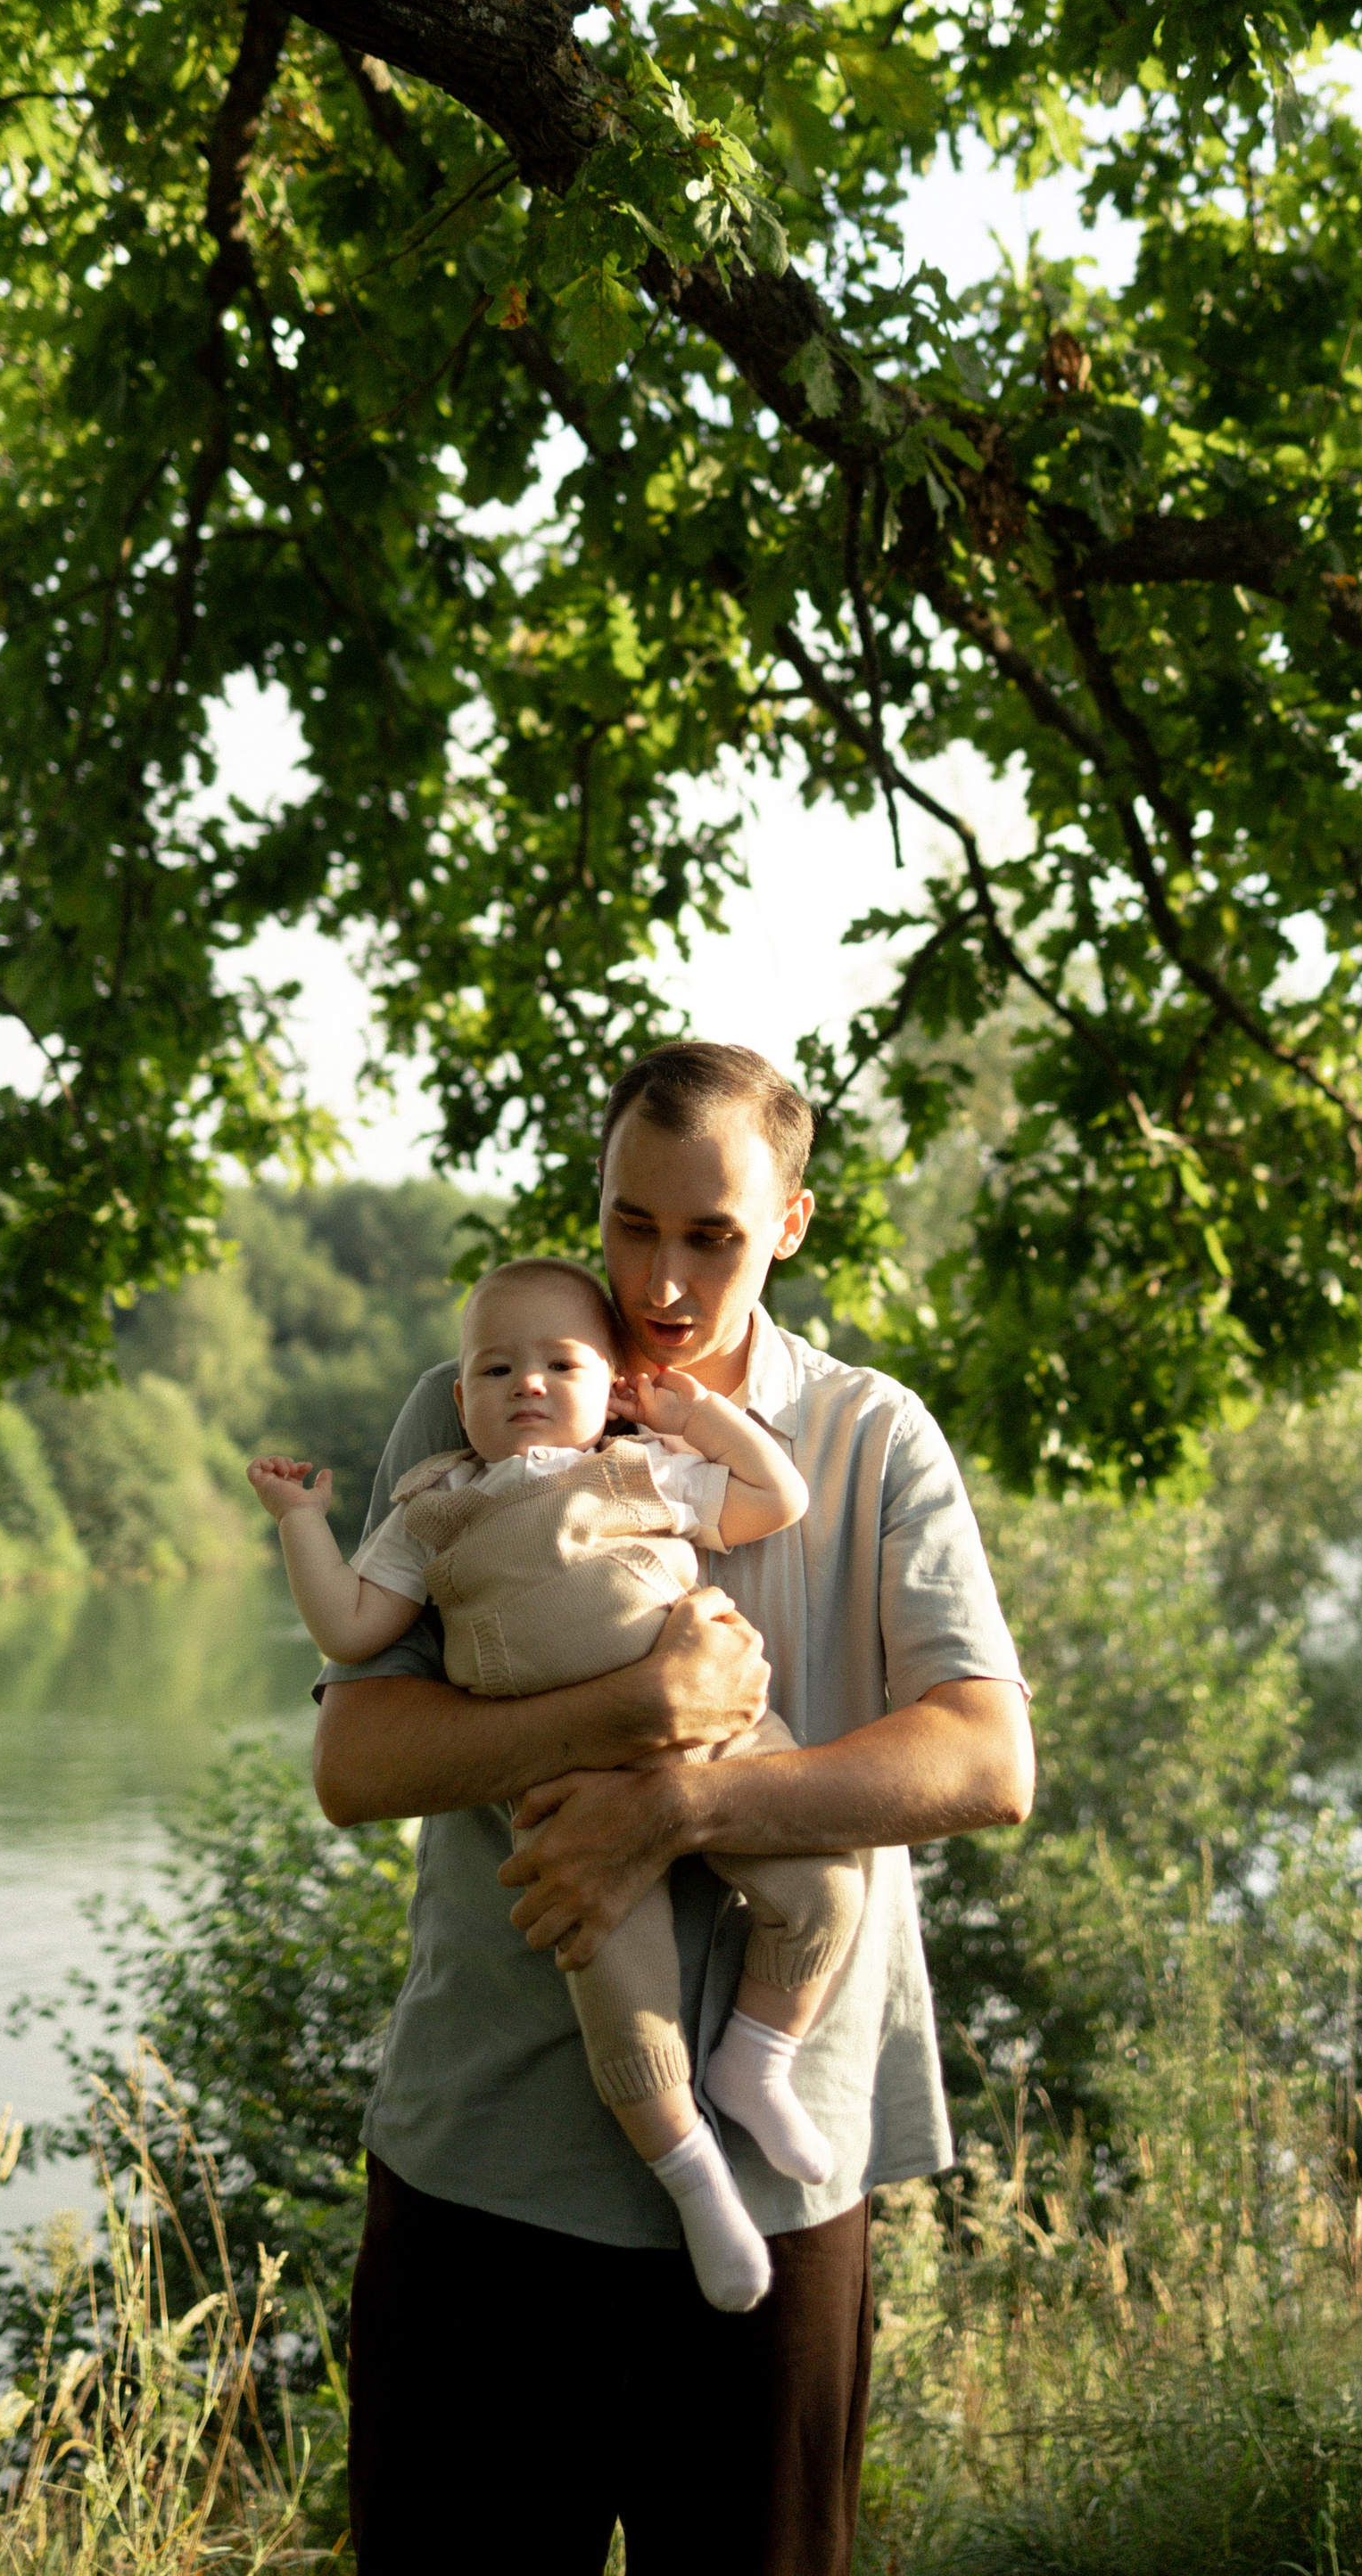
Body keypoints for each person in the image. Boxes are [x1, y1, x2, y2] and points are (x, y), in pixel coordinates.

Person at [314, 1039, 1035, 2576]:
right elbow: (355, 1767)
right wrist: (635, 1715)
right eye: (632, 1224)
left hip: (780, 2194)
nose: (661, 1279)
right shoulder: (475, 1415)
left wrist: (682, 1806)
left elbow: (984, 1762)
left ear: (791, 1223)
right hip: (487, 2168)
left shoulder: (867, 1437)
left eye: (711, 1234)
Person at [247, 1251, 866, 2310]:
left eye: (560, 1364)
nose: (525, 1384)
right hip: (568, 1797)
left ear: (611, 1387)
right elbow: (350, 1626)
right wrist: (302, 1525)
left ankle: (759, 2059)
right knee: (623, 2005)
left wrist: (696, 1417)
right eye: (494, 1371)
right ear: (459, 1399)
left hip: (719, 1745)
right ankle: (695, 2179)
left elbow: (776, 1496)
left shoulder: (638, 1467)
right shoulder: (435, 1510)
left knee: (824, 1892)